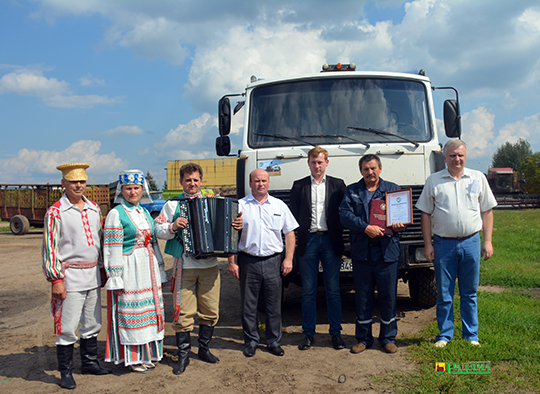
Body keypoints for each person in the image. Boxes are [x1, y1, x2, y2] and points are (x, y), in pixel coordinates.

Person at [155, 163, 242, 374]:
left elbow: (231, 223)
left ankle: (204, 349)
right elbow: (157, 229)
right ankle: (183, 355)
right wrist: (172, 226)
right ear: (181, 182)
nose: (192, 183)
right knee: (183, 312)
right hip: (183, 264)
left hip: (210, 265)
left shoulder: (215, 201)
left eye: (195, 180)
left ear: (201, 181)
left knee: (210, 309)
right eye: (188, 180)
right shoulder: (172, 205)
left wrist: (237, 223)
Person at [416, 139, 496, 348]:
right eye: (452, 155)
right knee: (444, 293)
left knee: (469, 292)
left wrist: (487, 241)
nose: (457, 159)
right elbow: (425, 213)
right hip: (444, 244)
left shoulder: (477, 178)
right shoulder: (434, 181)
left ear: (466, 157)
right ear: (444, 158)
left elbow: (487, 210)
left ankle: (471, 335)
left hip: (471, 242)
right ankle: (445, 335)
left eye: (460, 155)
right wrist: (428, 244)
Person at [42, 162, 111, 390]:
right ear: (63, 184)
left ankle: (90, 363)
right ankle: (66, 372)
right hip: (69, 277)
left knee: (92, 323)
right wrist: (56, 280)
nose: (78, 185)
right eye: (73, 182)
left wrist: (102, 269)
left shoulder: (94, 209)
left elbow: (100, 243)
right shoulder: (55, 212)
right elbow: (50, 247)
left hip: (92, 275)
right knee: (67, 326)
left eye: (82, 181)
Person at [228, 169, 298, 358]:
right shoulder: (239, 206)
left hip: (273, 261)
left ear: (268, 183)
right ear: (250, 183)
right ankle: (251, 342)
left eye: (264, 181)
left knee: (273, 305)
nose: (261, 184)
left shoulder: (279, 205)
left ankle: (273, 341)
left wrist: (288, 259)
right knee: (248, 305)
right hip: (248, 261)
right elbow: (231, 236)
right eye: (257, 181)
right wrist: (232, 262)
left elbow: (289, 234)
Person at [103, 170, 167, 372]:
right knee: (132, 310)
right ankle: (132, 358)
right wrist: (115, 276)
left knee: (148, 311)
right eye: (128, 188)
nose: (133, 192)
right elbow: (111, 247)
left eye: (136, 188)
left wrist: (160, 269)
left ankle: (147, 354)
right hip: (129, 266)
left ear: (142, 189)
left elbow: (154, 241)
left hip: (147, 266)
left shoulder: (144, 212)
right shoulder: (116, 214)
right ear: (121, 191)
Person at [339, 154, 404, 354]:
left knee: (388, 296)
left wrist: (401, 224)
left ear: (380, 169)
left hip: (387, 253)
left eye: (373, 168)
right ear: (361, 171)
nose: (370, 172)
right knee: (363, 297)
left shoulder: (392, 189)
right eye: (366, 169)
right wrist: (365, 227)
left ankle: (388, 337)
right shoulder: (352, 191)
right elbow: (344, 215)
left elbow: (402, 216)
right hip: (362, 254)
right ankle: (363, 338)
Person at [290, 146, 346, 350]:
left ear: (327, 163)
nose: (317, 165)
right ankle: (308, 334)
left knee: (333, 290)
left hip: (331, 241)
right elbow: (293, 217)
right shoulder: (299, 186)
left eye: (320, 162)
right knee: (308, 291)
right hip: (309, 241)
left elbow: (344, 213)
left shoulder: (339, 185)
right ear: (308, 163)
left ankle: (336, 334)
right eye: (313, 162)